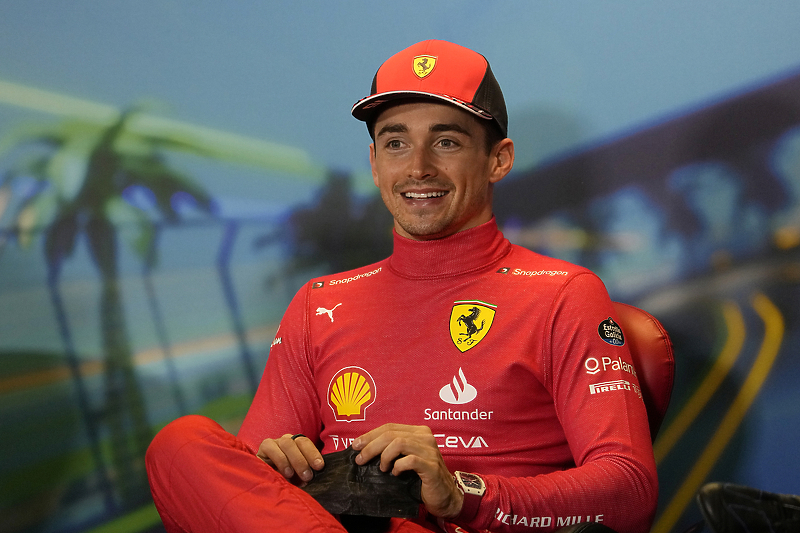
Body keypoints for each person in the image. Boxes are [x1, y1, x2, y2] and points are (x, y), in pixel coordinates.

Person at [146, 39, 657, 533]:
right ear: (374, 163)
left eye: (446, 141)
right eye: (396, 143)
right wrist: (277, 463)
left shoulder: (562, 292)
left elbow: (630, 490)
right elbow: (250, 488)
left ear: (498, 160)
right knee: (180, 444)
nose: (418, 168)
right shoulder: (319, 303)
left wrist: (460, 493)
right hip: (334, 521)